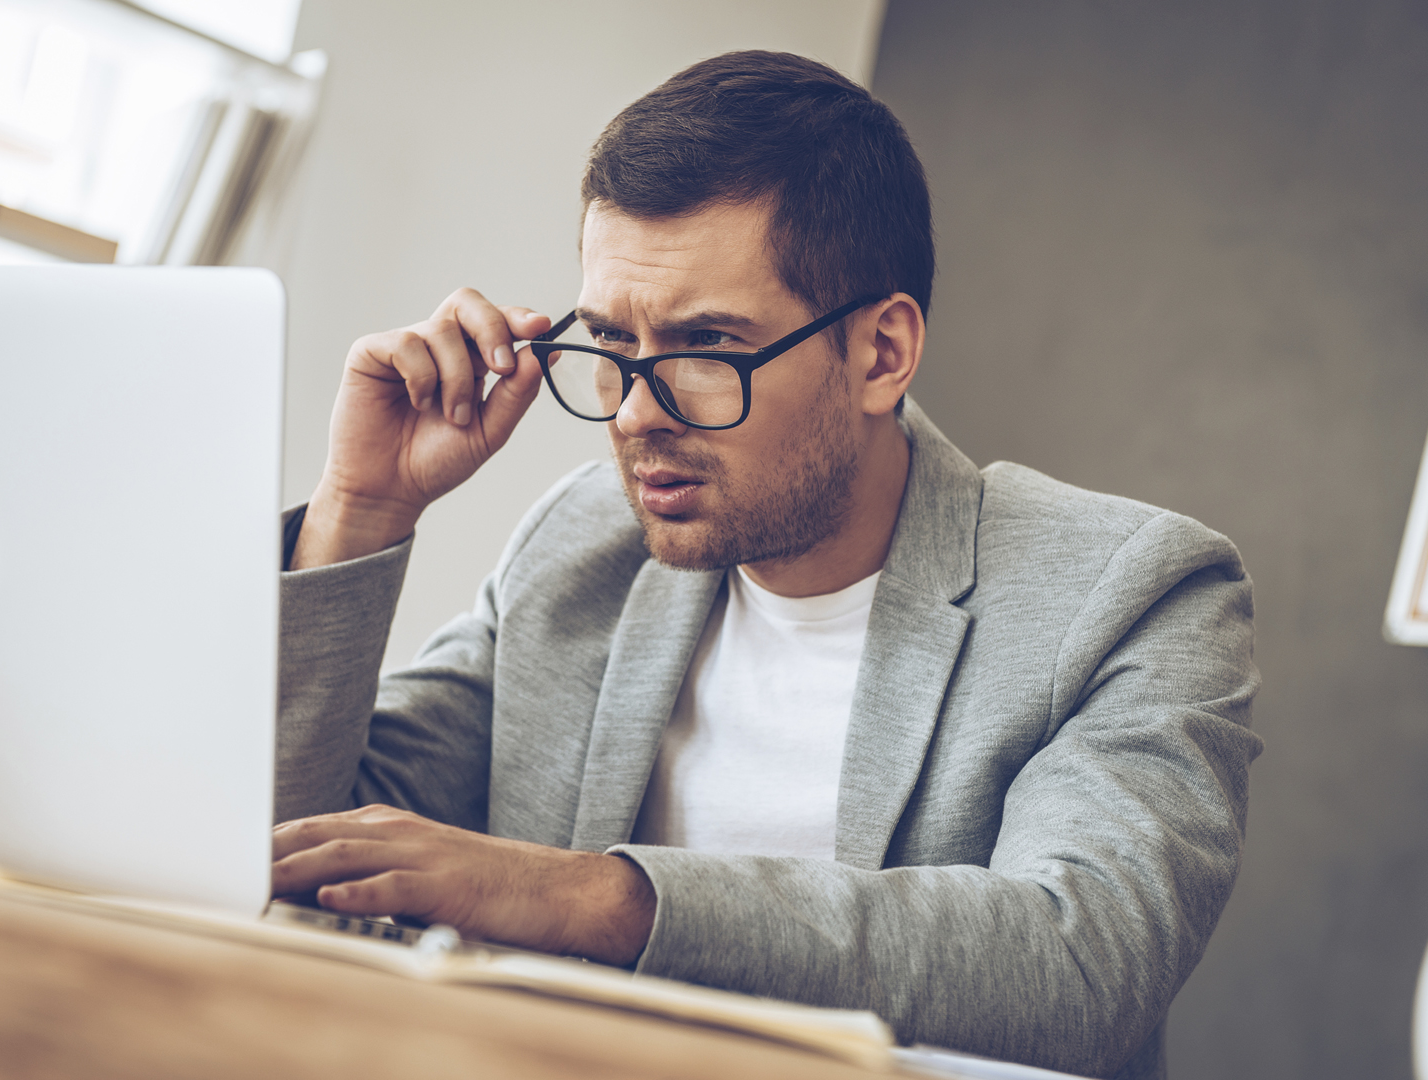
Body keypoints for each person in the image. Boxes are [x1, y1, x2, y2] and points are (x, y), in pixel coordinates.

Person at [269, 51, 1261, 1080]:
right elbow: (295, 844)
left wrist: (592, 896)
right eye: (612, 341)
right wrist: (361, 511)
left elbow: (1077, 969)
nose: (637, 412)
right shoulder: (584, 544)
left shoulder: (1134, 592)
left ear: (882, 353)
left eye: (707, 347)